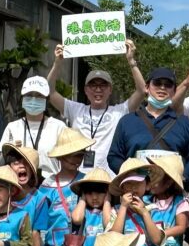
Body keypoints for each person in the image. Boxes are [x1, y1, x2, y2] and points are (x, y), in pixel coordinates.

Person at [47, 39, 147, 170]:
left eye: (103, 85)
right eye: (93, 85)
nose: (98, 90)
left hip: (108, 179)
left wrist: (131, 61)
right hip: (79, 178)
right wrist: (57, 63)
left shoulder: (119, 111)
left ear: (110, 90)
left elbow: (142, 91)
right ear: (85, 90)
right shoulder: (75, 109)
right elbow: (49, 91)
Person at [107, 67, 189, 180]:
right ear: (147, 88)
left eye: (168, 85)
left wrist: (182, 177)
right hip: (136, 191)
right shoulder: (127, 121)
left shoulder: (183, 122)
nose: (162, 88)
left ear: (174, 91)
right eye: (157, 83)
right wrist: (130, 176)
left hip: (172, 192)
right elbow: (114, 156)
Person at [0, 75, 64, 179]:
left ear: (47, 99)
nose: (34, 99)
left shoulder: (59, 127)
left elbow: (67, 161)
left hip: (51, 187)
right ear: (22, 98)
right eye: (29, 95)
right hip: (20, 186)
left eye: (39, 96)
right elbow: (2, 163)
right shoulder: (12, 127)